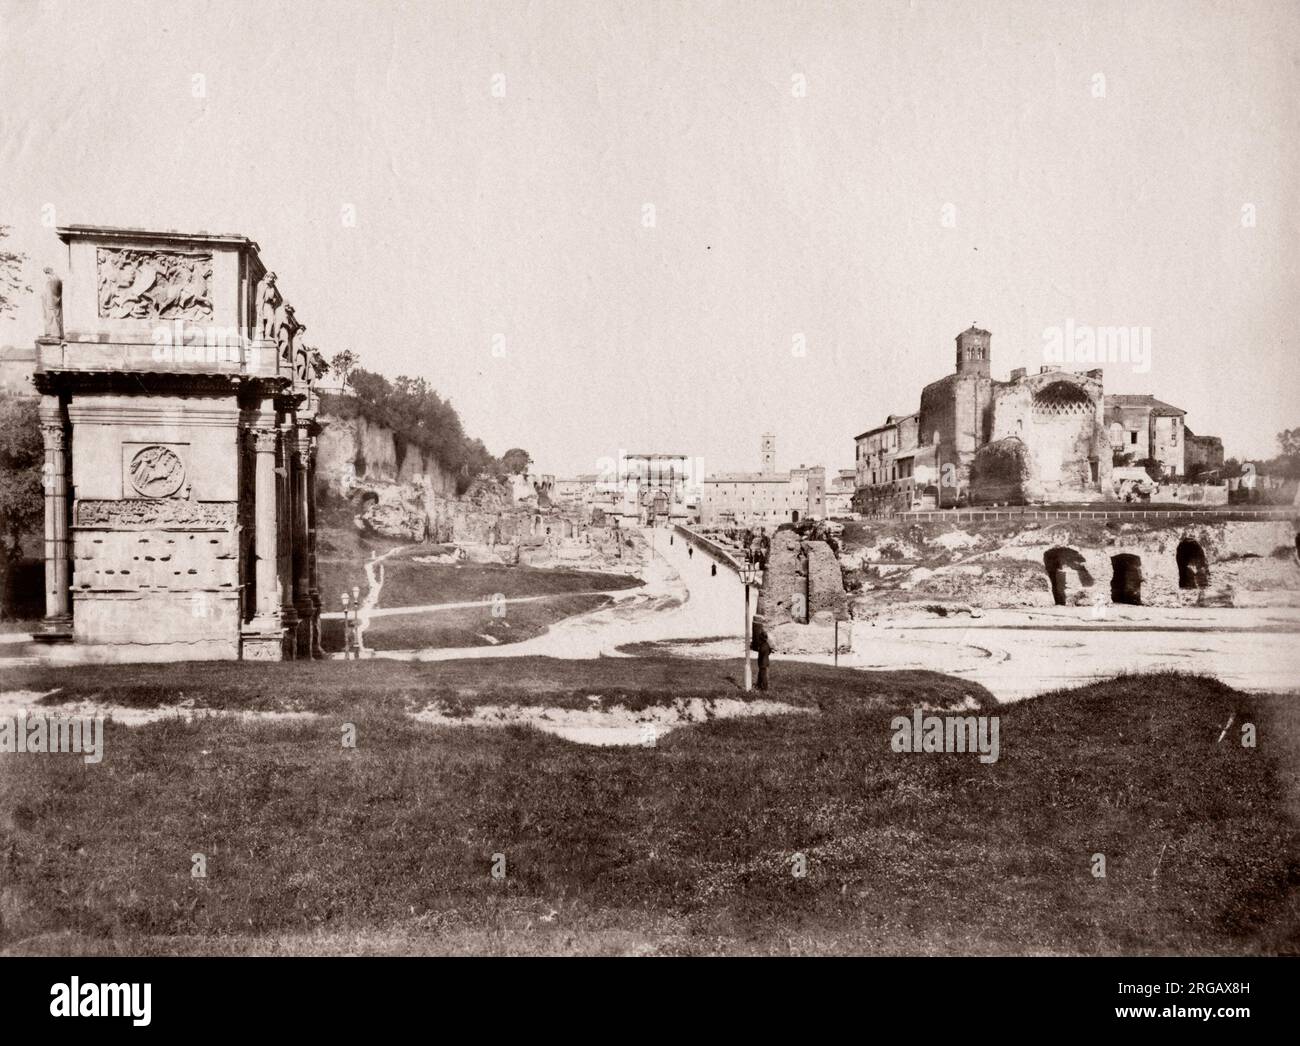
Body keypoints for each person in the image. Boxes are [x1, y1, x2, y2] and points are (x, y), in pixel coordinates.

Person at [751, 615, 771, 691]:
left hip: (763, 664)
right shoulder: (766, 645)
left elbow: (762, 653)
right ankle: (759, 686)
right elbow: (769, 652)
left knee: (763, 676)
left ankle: (764, 689)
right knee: (761, 676)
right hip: (765, 663)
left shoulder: (763, 646)